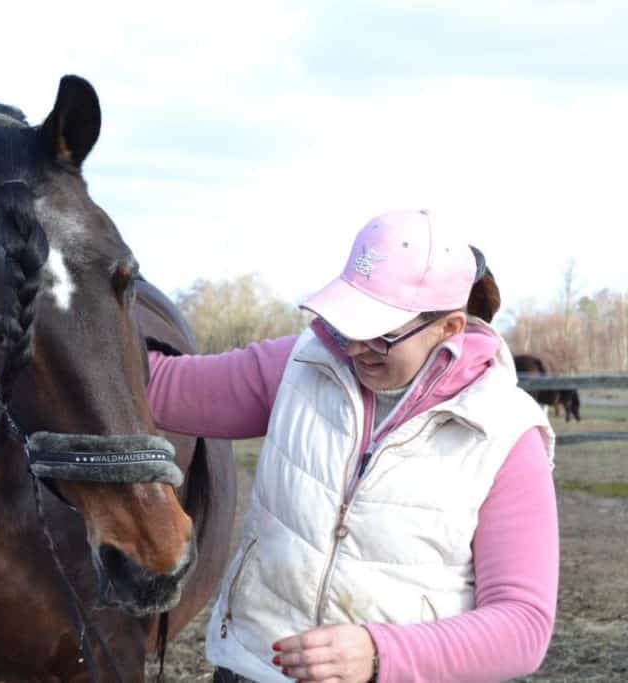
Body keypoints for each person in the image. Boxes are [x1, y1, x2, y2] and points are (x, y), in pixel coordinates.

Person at [147, 210, 559, 682]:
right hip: (254, 667)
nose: (356, 347)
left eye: (381, 335)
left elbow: (523, 625)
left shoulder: (504, 433)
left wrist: (381, 655)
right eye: (347, 324)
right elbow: (161, 386)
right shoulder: (303, 364)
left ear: (448, 329)